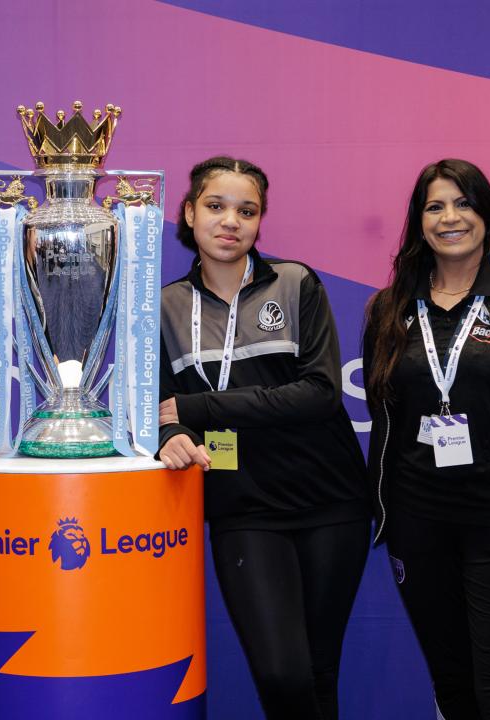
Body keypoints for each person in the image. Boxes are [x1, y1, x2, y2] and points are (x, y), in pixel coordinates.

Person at [157, 156, 370, 719]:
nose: (231, 222)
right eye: (216, 206)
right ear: (189, 213)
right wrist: (172, 435)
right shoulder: (165, 307)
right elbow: (158, 408)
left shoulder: (296, 282)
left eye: (246, 211)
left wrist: (196, 407)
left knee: (320, 670)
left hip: (330, 500)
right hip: (244, 507)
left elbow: (319, 393)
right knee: (281, 671)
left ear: (260, 222)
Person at [362, 158, 490, 719]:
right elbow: (388, 418)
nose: (449, 217)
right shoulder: (391, 309)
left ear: (487, 215)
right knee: (455, 690)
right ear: (419, 221)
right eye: (435, 206)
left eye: (463, 203)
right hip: (420, 527)